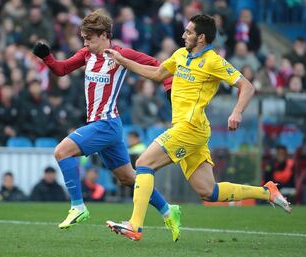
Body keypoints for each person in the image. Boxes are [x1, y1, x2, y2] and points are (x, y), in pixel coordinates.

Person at [104, 14, 291, 241]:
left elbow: (247, 86)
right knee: (208, 191)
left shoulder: (213, 61)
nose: (184, 35)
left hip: (191, 128)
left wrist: (237, 111)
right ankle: (267, 192)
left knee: (144, 163)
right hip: (191, 130)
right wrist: (122, 59)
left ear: (201, 37)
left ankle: (135, 225)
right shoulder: (181, 54)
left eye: (189, 32)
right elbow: (156, 73)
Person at [32, 9, 180, 241]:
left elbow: (158, 65)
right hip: (106, 124)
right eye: (83, 38)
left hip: (106, 124)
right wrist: (47, 57)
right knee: (129, 178)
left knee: (61, 151)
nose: (85, 43)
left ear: (104, 35)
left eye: (89, 38)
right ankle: (169, 210)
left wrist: (169, 87)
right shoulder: (86, 54)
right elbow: (61, 70)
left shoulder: (120, 54)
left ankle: (78, 207)